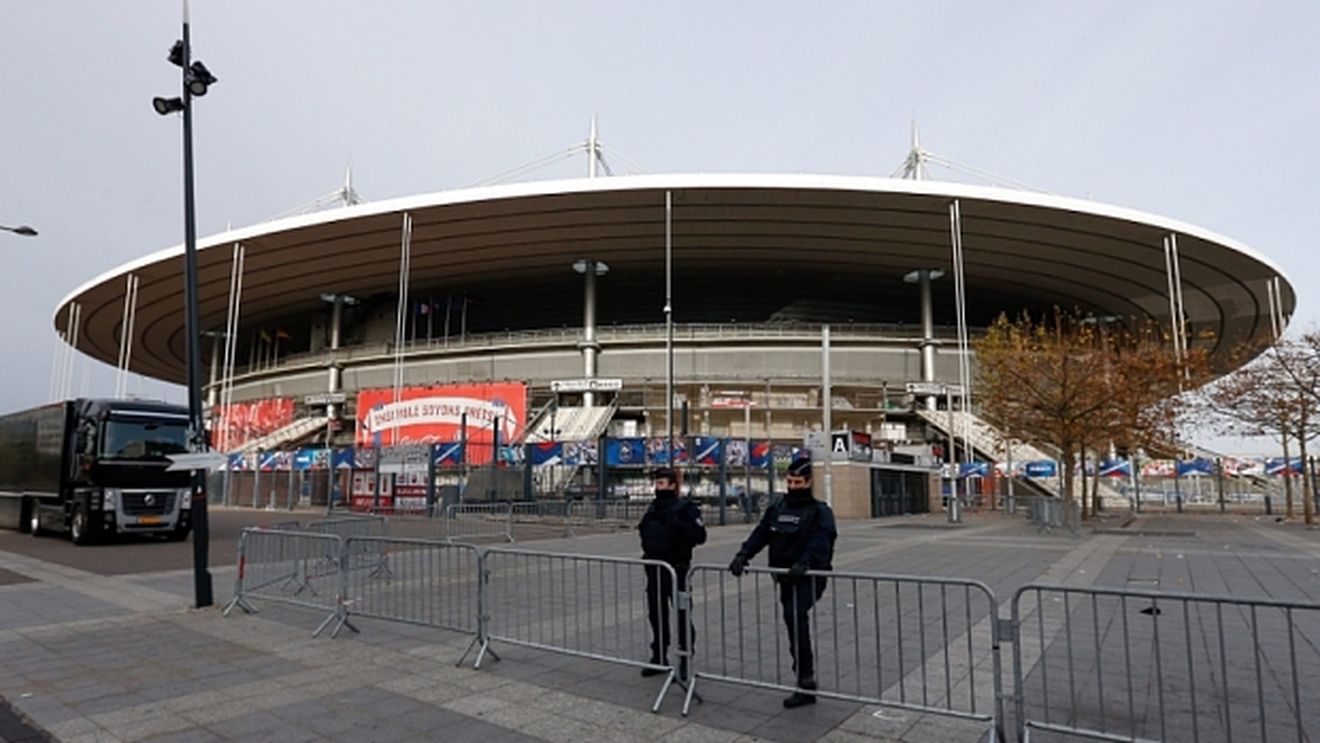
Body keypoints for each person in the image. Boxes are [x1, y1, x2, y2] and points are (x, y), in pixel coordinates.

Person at [728, 456, 837, 708]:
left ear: (809, 482)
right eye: (789, 481)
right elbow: (761, 533)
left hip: (809, 577)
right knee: (792, 622)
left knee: (795, 616)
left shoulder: (820, 512)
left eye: (798, 482)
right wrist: (743, 554)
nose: (792, 486)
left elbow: (821, 541)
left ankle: (805, 681)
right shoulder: (778, 508)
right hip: (784, 577)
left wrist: (806, 563)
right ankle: (803, 677)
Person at [637, 467, 707, 678]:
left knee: (683, 615)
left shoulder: (686, 508)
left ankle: (685, 659)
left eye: (661, 483)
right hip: (655, 569)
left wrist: (678, 526)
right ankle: (658, 656)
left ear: (673, 485)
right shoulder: (653, 509)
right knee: (656, 615)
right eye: (656, 483)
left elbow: (700, 536)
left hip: (678, 570)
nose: (657, 487)